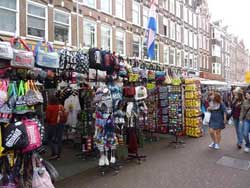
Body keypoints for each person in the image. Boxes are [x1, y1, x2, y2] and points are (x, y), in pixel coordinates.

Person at [46, 95, 66, 160]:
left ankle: (54, 152)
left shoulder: (49, 107)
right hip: (60, 124)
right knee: (59, 139)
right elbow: (65, 115)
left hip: (52, 125)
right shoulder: (61, 106)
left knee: (50, 139)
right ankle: (58, 155)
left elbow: (48, 117)